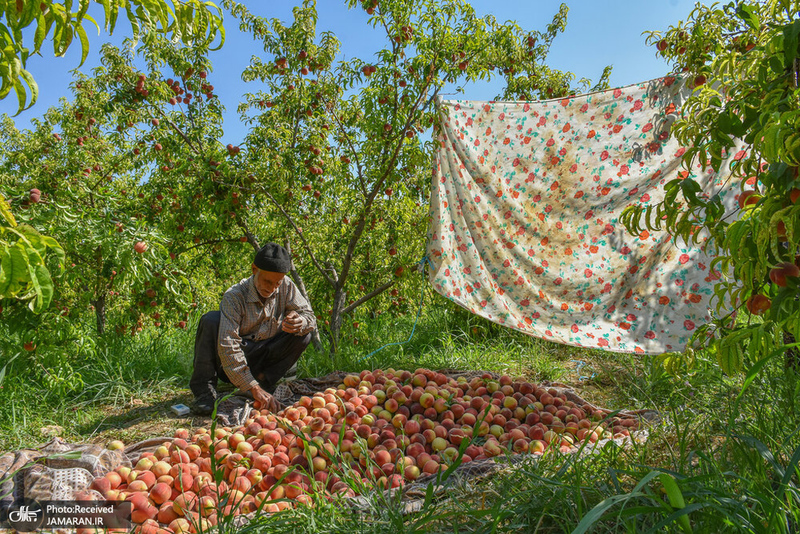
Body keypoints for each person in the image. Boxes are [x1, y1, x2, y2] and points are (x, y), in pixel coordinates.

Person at [190, 242, 316, 415]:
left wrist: (299, 321)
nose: (271, 288)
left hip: (264, 356)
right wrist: (251, 386)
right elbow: (229, 347)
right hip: (234, 360)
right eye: (267, 281)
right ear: (254, 269)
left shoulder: (286, 286)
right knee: (211, 320)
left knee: (303, 334)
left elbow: (310, 317)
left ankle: (264, 383)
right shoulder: (234, 296)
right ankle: (204, 391)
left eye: (277, 283)